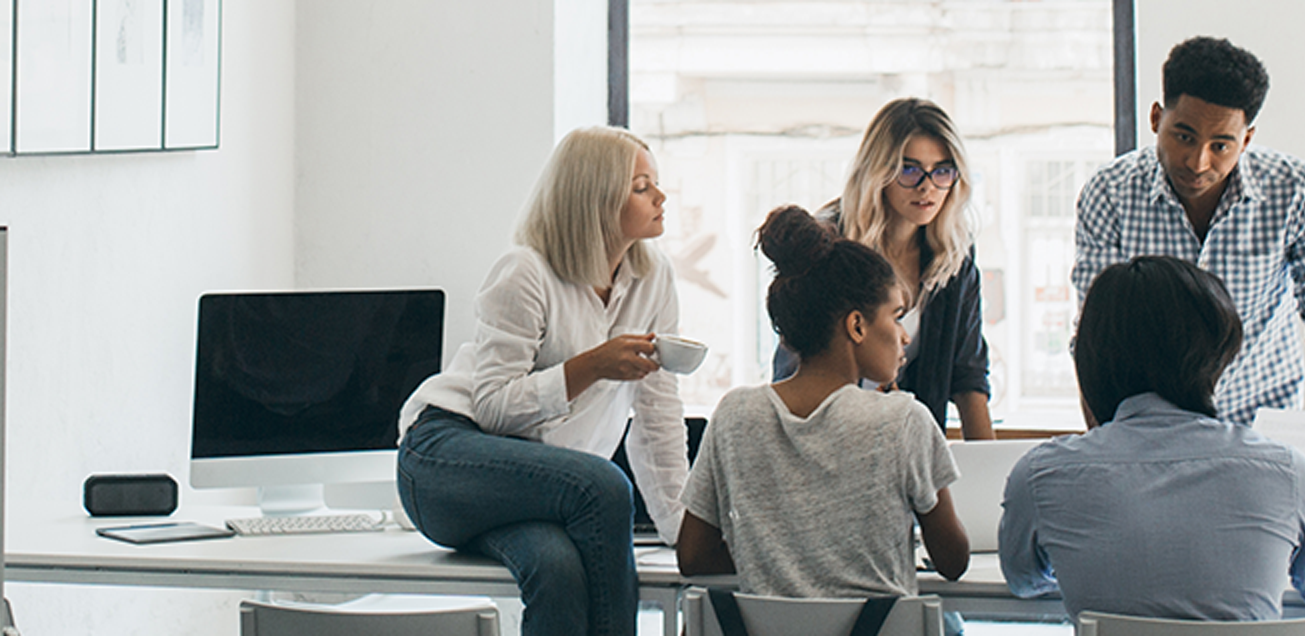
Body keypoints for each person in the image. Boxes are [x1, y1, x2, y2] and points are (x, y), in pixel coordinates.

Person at [1070, 36, 1305, 539]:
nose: (1199, 162)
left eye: (1221, 145)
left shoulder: (1297, 193)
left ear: (1247, 139)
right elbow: (1095, 342)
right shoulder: (1110, 193)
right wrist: (1110, 462)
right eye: (1183, 136)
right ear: (1155, 119)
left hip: (1264, 445)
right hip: (1149, 447)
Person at [394, 126, 690, 636]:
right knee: (603, 484)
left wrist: (681, 533)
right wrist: (591, 366)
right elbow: (491, 408)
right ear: (595, 200)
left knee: (556, 569)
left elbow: (658, 415)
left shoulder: (653, 278)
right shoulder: (525, 272)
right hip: (446, 455)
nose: (661, 197)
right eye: (642, 187)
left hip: (545, 488)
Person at [999, 255, 1305, 621]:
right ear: (1215, 359)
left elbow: (1023, 580)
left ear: (1092, 358)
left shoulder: (1039, 474)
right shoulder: (1287, 471)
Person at [674, 205, 971, 601]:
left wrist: (777, 557)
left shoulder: (735, 415)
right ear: (857, 326)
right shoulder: (903, 421)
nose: (903, 337)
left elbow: (693, 556)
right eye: (895, 316)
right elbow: (953, 560)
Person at [774, 97, 996, 440]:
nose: (927, 187)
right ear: (879, 171)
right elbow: (796, 368)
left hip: (911, 448)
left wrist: (990, 476)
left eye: (942, 171)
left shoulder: (955, 254)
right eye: (909, 170)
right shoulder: (829, 244)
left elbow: (968, 374)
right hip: (826, 440)